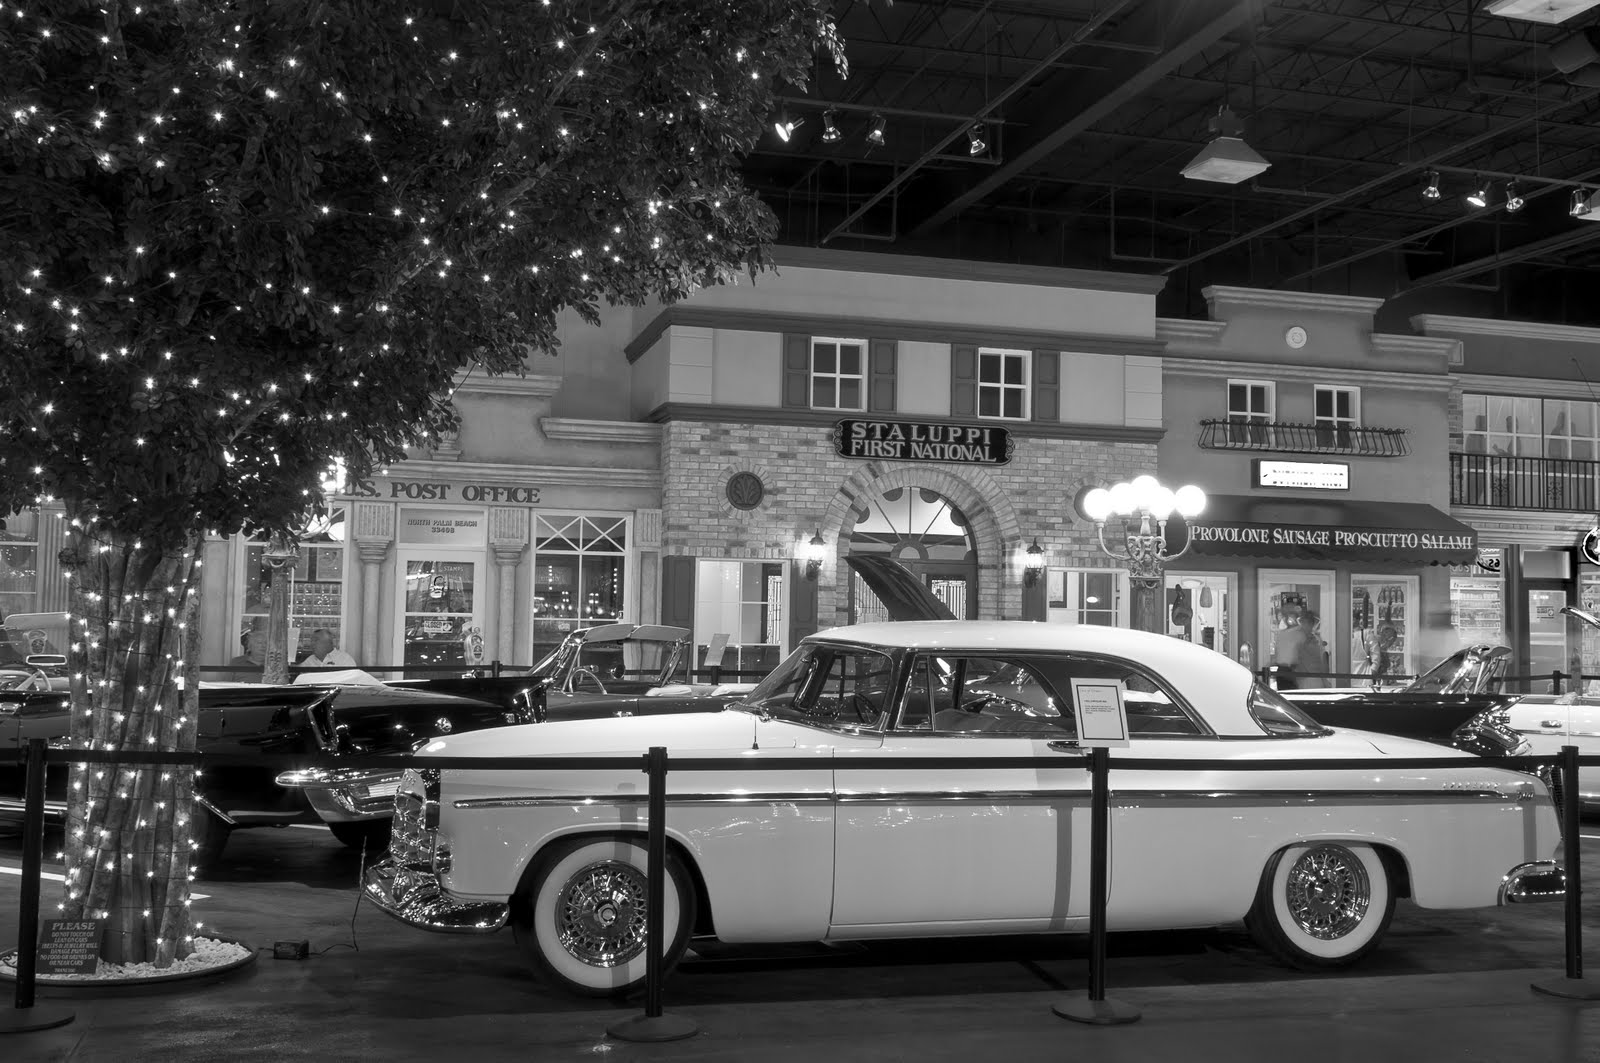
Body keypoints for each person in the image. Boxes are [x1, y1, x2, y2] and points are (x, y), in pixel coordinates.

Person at [1273, 611, 1325, 690]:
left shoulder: (1312, 638)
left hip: (1301, 674)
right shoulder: (1295, 634)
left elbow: (1318, 660)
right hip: (1293, 673)